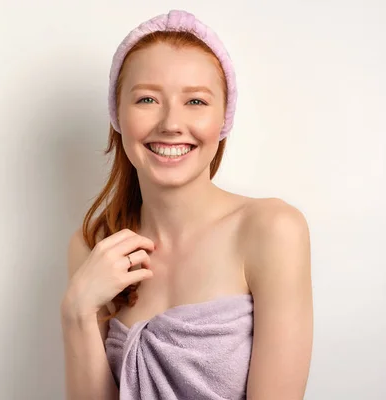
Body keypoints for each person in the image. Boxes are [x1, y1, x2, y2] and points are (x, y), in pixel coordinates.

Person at [60, 9, 313, 400]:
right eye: (146, 99)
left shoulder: (272, 229)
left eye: (195, 101)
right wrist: (76, 312)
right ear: (117, 115)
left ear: (223, 119)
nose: (171, 123)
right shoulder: (94, 243)